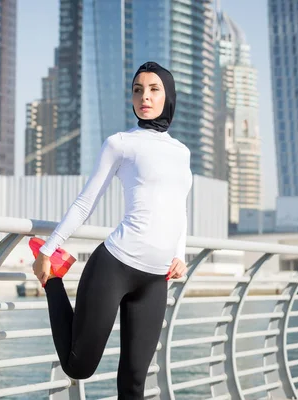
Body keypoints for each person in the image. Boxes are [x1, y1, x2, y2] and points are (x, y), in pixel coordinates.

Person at [32, 61, 192, 399]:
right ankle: (55, 279)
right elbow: (85, 202)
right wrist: (48, 249)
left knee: (134, 381)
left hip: (155, 278)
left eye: (153, 89)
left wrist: (180, 253)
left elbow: (179, 206)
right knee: (79, 366)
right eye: (138, 90)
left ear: (169, 95)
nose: (144, 97)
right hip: (115, 265)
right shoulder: (120, 143)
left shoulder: (181, 152)